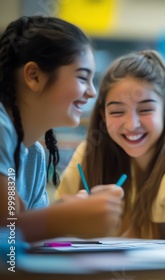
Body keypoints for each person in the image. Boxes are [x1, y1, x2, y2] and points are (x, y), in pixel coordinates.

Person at [0, 16, 123, 243]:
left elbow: (15, 250)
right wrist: (64, 218)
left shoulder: (34, 155)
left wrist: (71, 214)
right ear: (34, 76)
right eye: (82, 78)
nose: (92, 92)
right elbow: (5, 230)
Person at [57, 50, 165, 240]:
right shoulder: (89, 153)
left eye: (146, 109)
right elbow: (54, 224)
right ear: (102, 115)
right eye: (116, 112)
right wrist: (73, 216)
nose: (132, 124)